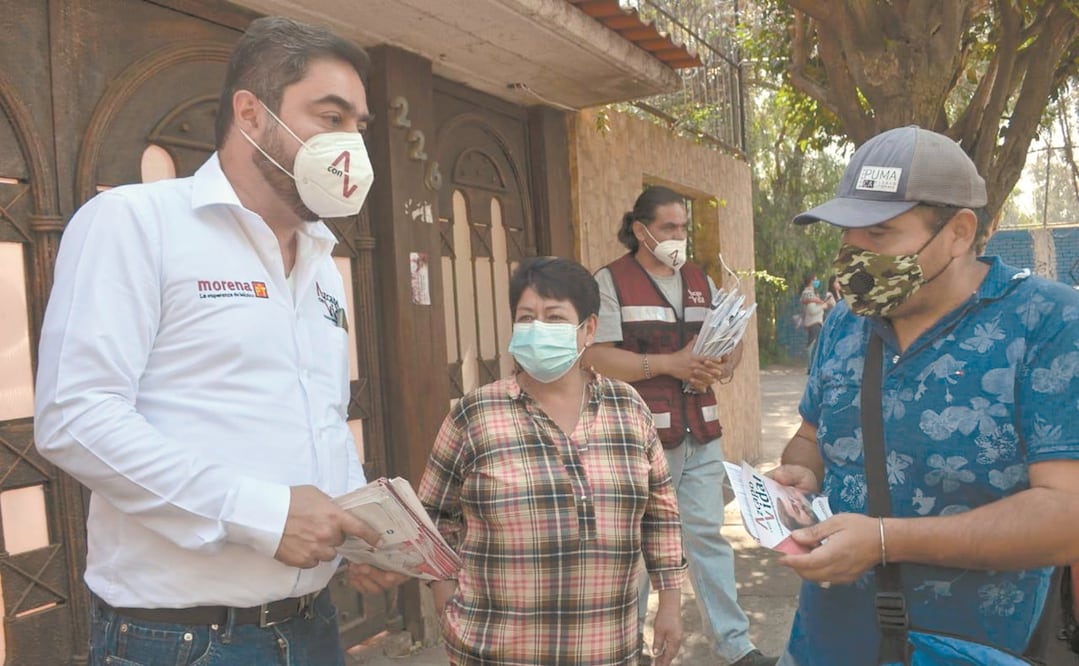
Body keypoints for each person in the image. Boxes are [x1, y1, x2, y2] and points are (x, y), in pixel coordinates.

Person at [34, 17, 407, 665]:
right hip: (180, 640)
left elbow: (318, 419)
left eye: (360, 126)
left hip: (314, 627)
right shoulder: (136, 223)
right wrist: (259, 512)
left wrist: (359, 535)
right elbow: (75, 416)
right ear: (251, 113)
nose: (352, 145)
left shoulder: (321, 260)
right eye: (330, 116)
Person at [771, 125, 1079, 665]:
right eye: (847, 233)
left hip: (977, 647)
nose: (853, 254)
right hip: (828, 641)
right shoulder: (845, 323)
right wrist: (803, 472)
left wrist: (886, 541)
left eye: (880, 233)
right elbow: (812, 436)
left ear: (959, 232)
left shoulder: (1048, 323)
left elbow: (1066, 516)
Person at [418, 256, 687, 666]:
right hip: (496, 651)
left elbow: (660, 511)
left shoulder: (627, 407)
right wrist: (446, 599)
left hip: (608, 649)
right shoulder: (476, 414)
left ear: (589, 329)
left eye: (555, 317)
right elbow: (433, 516)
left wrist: (670, 602)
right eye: (527, 317)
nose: (538, 329)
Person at [583, 186, 776, 666]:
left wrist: (722, 363)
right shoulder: (611, 282)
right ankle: (623, 651)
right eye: (669, 228)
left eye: (683, 228)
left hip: (701, 433)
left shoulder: (699, 280)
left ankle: (737, 649)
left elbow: (724, 352)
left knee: (708, 538)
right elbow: (596, 357)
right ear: (640, 230)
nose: (679, 237)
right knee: (634, 550)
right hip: (639, 439)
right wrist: (672, 363)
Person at [800, 275, 825, 362]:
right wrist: (822, 305)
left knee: (814, 344)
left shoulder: (811, 293)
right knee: (812, 345)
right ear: (811, 281)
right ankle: (811, 365)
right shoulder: (808, 292)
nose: (817, 281)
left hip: (816, 322)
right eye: (815, 280)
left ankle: (812, 363)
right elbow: (811, 309)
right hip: (813, 322)